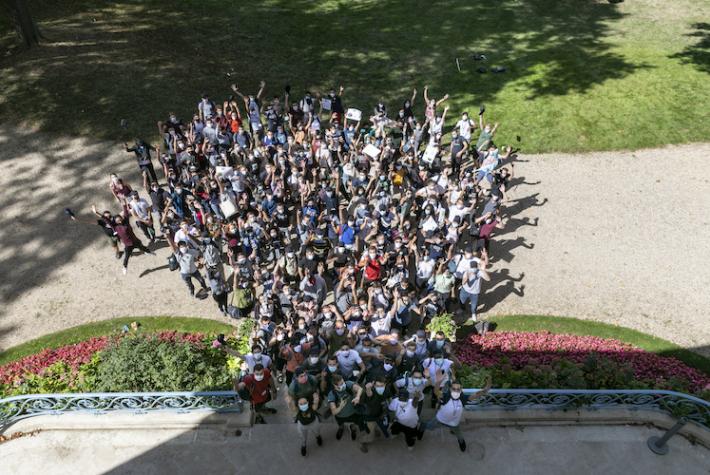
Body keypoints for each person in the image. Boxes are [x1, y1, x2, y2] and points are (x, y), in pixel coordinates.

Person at [423, 378, 492, 451]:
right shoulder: (446, 396)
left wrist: (486, 389)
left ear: (461, 389)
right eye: (454, 389)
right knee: (428, 426)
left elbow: (476, 395)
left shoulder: (463, 398)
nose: (456, 391)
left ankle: (461, 442)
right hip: (440, 419)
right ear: (450, 389)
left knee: (459, 435)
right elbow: (436, 391)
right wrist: (438, 381)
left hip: (453, 423)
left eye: (458, 389)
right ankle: (420, 429)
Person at [327, 373, 363, 441]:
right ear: (334, 385)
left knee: (353, 424)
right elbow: (334, 412)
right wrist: (340, 406)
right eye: (340, 384)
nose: (343, 385)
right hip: (340, 416)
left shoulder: (348, 384)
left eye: (343, 382)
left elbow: (360, 389)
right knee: (340, 424)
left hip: (353, 413)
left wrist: (357, 397)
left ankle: (353, 430)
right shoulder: (331, 394)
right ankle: (341, 429)